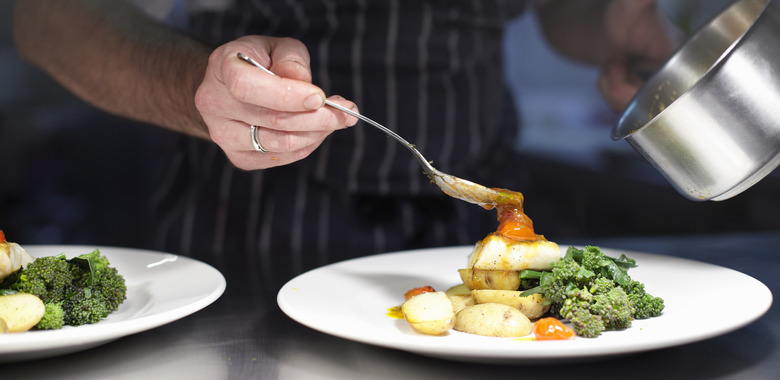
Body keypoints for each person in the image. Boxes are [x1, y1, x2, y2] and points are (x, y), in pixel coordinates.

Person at [13, 0, 675, 287]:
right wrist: (196, 85)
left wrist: (606, 22)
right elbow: (46, 18)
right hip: (254, 215)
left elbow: (560, 13)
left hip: (475, 203)